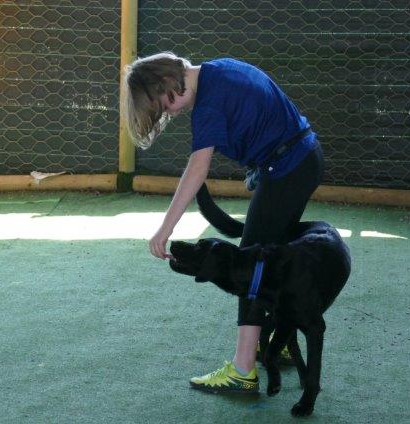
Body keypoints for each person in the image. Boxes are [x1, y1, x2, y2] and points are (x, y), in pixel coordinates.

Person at [123, 52, 324, 394]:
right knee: (270, 258)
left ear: (168, 83)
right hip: (302, 158)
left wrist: (165, 229)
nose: (170, 113)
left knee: (252, 265)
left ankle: (243, 370)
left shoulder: (208, 105)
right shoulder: (219, 69)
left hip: (288, 169)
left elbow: (197, 169)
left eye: (164, 105)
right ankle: (278, 343)